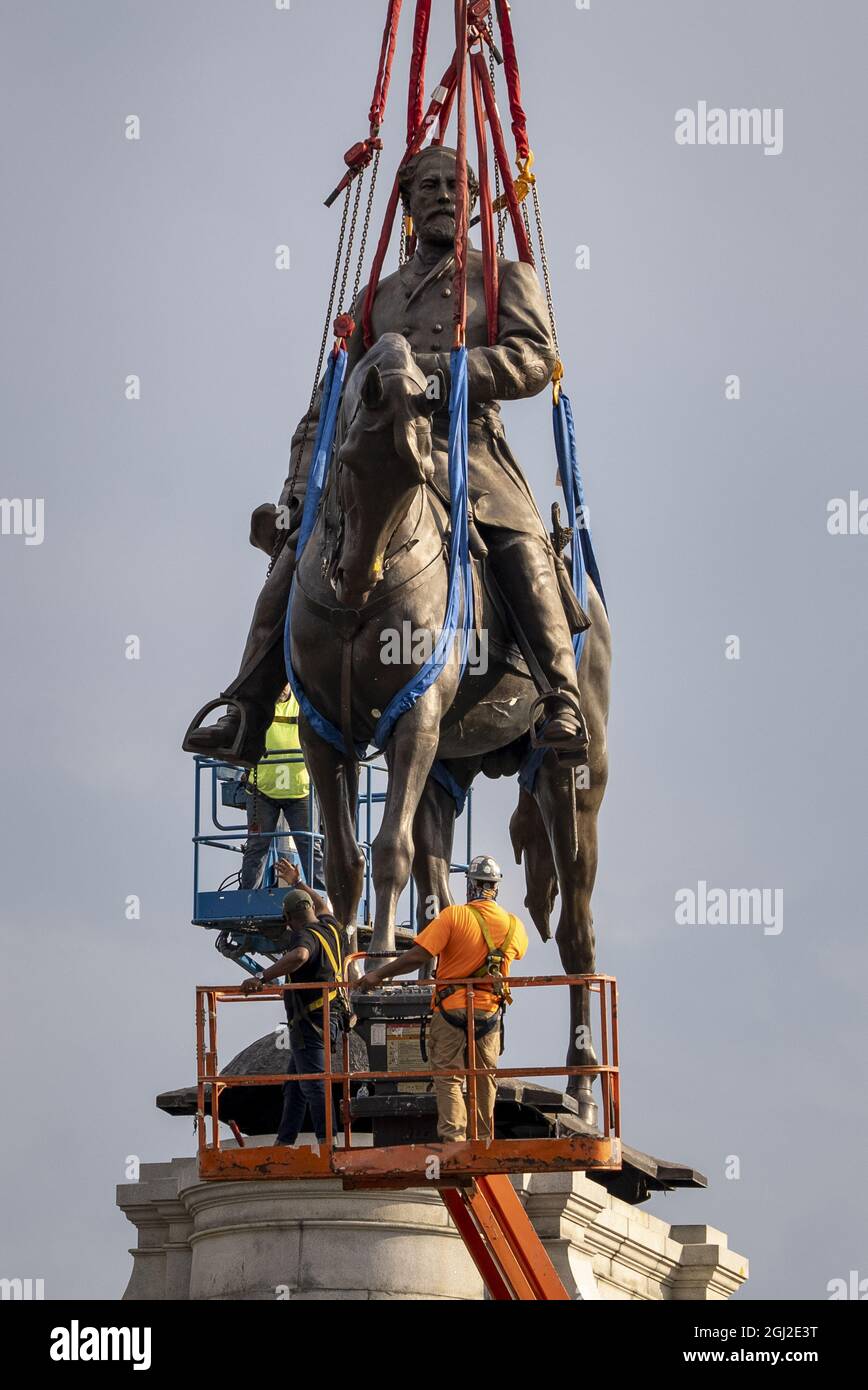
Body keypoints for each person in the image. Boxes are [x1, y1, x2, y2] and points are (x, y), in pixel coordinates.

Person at [185, 143, 588, 766]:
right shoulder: (375, 298)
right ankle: (249, 706)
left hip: (468, 449)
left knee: (522, 546)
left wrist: (439, 374)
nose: (443, 198)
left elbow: (535, 360)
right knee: (296, 557)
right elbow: (325, 406)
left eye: (455, 187)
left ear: (474, 200)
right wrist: (298, 492)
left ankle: (560, 696)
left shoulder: (504, 279)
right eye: (428, 188)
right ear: (406, 203)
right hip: (375, 459)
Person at [358, 855, 528, 1143]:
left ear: (471, 886)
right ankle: (483, 1142)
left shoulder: (453, 916)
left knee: (449, 1077)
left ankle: (454, 1139)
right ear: (495, 888)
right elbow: (517, 953)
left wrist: (378, 975)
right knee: (483, 1078)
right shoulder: (514, 926)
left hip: (451, 1010)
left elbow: (418, 956)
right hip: (489, 1014)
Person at [241, 862, 345, 1147]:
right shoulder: (332, 928)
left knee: (313, 1084)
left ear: (288, 918)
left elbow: (299, 955)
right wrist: (299, 882)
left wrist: (261, 976)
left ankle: (328, 1144)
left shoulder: (304, 935)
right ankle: (285, 1141)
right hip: (328, 1018)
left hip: (309, 1023)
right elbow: (323, 903)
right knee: (295, 1086)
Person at [239, 685, 325, 891]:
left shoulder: (304, 703)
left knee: (310, 847)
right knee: (256, 847)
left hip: (299, 791)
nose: (280, 688)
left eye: (284, 683)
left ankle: (323, 899)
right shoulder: (259, 704)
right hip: (262, 791)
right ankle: (247, 899)